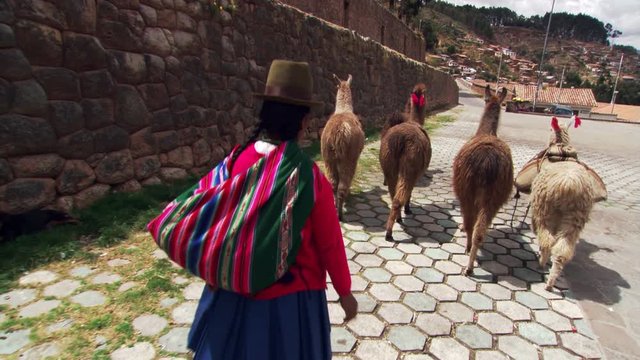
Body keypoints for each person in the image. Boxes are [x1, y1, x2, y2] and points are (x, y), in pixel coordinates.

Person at [187, 60, 357, 359]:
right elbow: (330, 243)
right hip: (291, 306)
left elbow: (215, 219)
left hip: (233, 291)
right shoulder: (308, 176)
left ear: (264, 115)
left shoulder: (236, 161)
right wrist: (344, 293)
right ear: (303, 122)